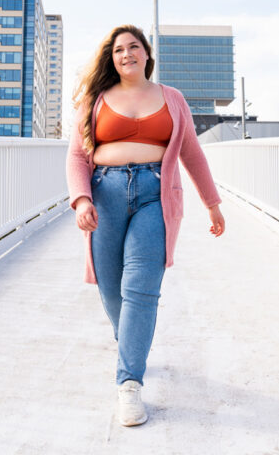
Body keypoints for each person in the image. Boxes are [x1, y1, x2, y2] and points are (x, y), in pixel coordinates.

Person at [66, 24, 225, 427]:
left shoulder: (171, 98)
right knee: (110, 285)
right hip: (105, 194)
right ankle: (130, 345)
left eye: (133, 47)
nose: (126, 54)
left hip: (156, 195)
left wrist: (212, 204)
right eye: (119, 50)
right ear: (112, 58)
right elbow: (76, 157)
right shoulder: (95, 99)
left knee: (141, 287)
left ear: (147, 53)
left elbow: (191, 152)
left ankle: (129, 383)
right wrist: (81, 198)